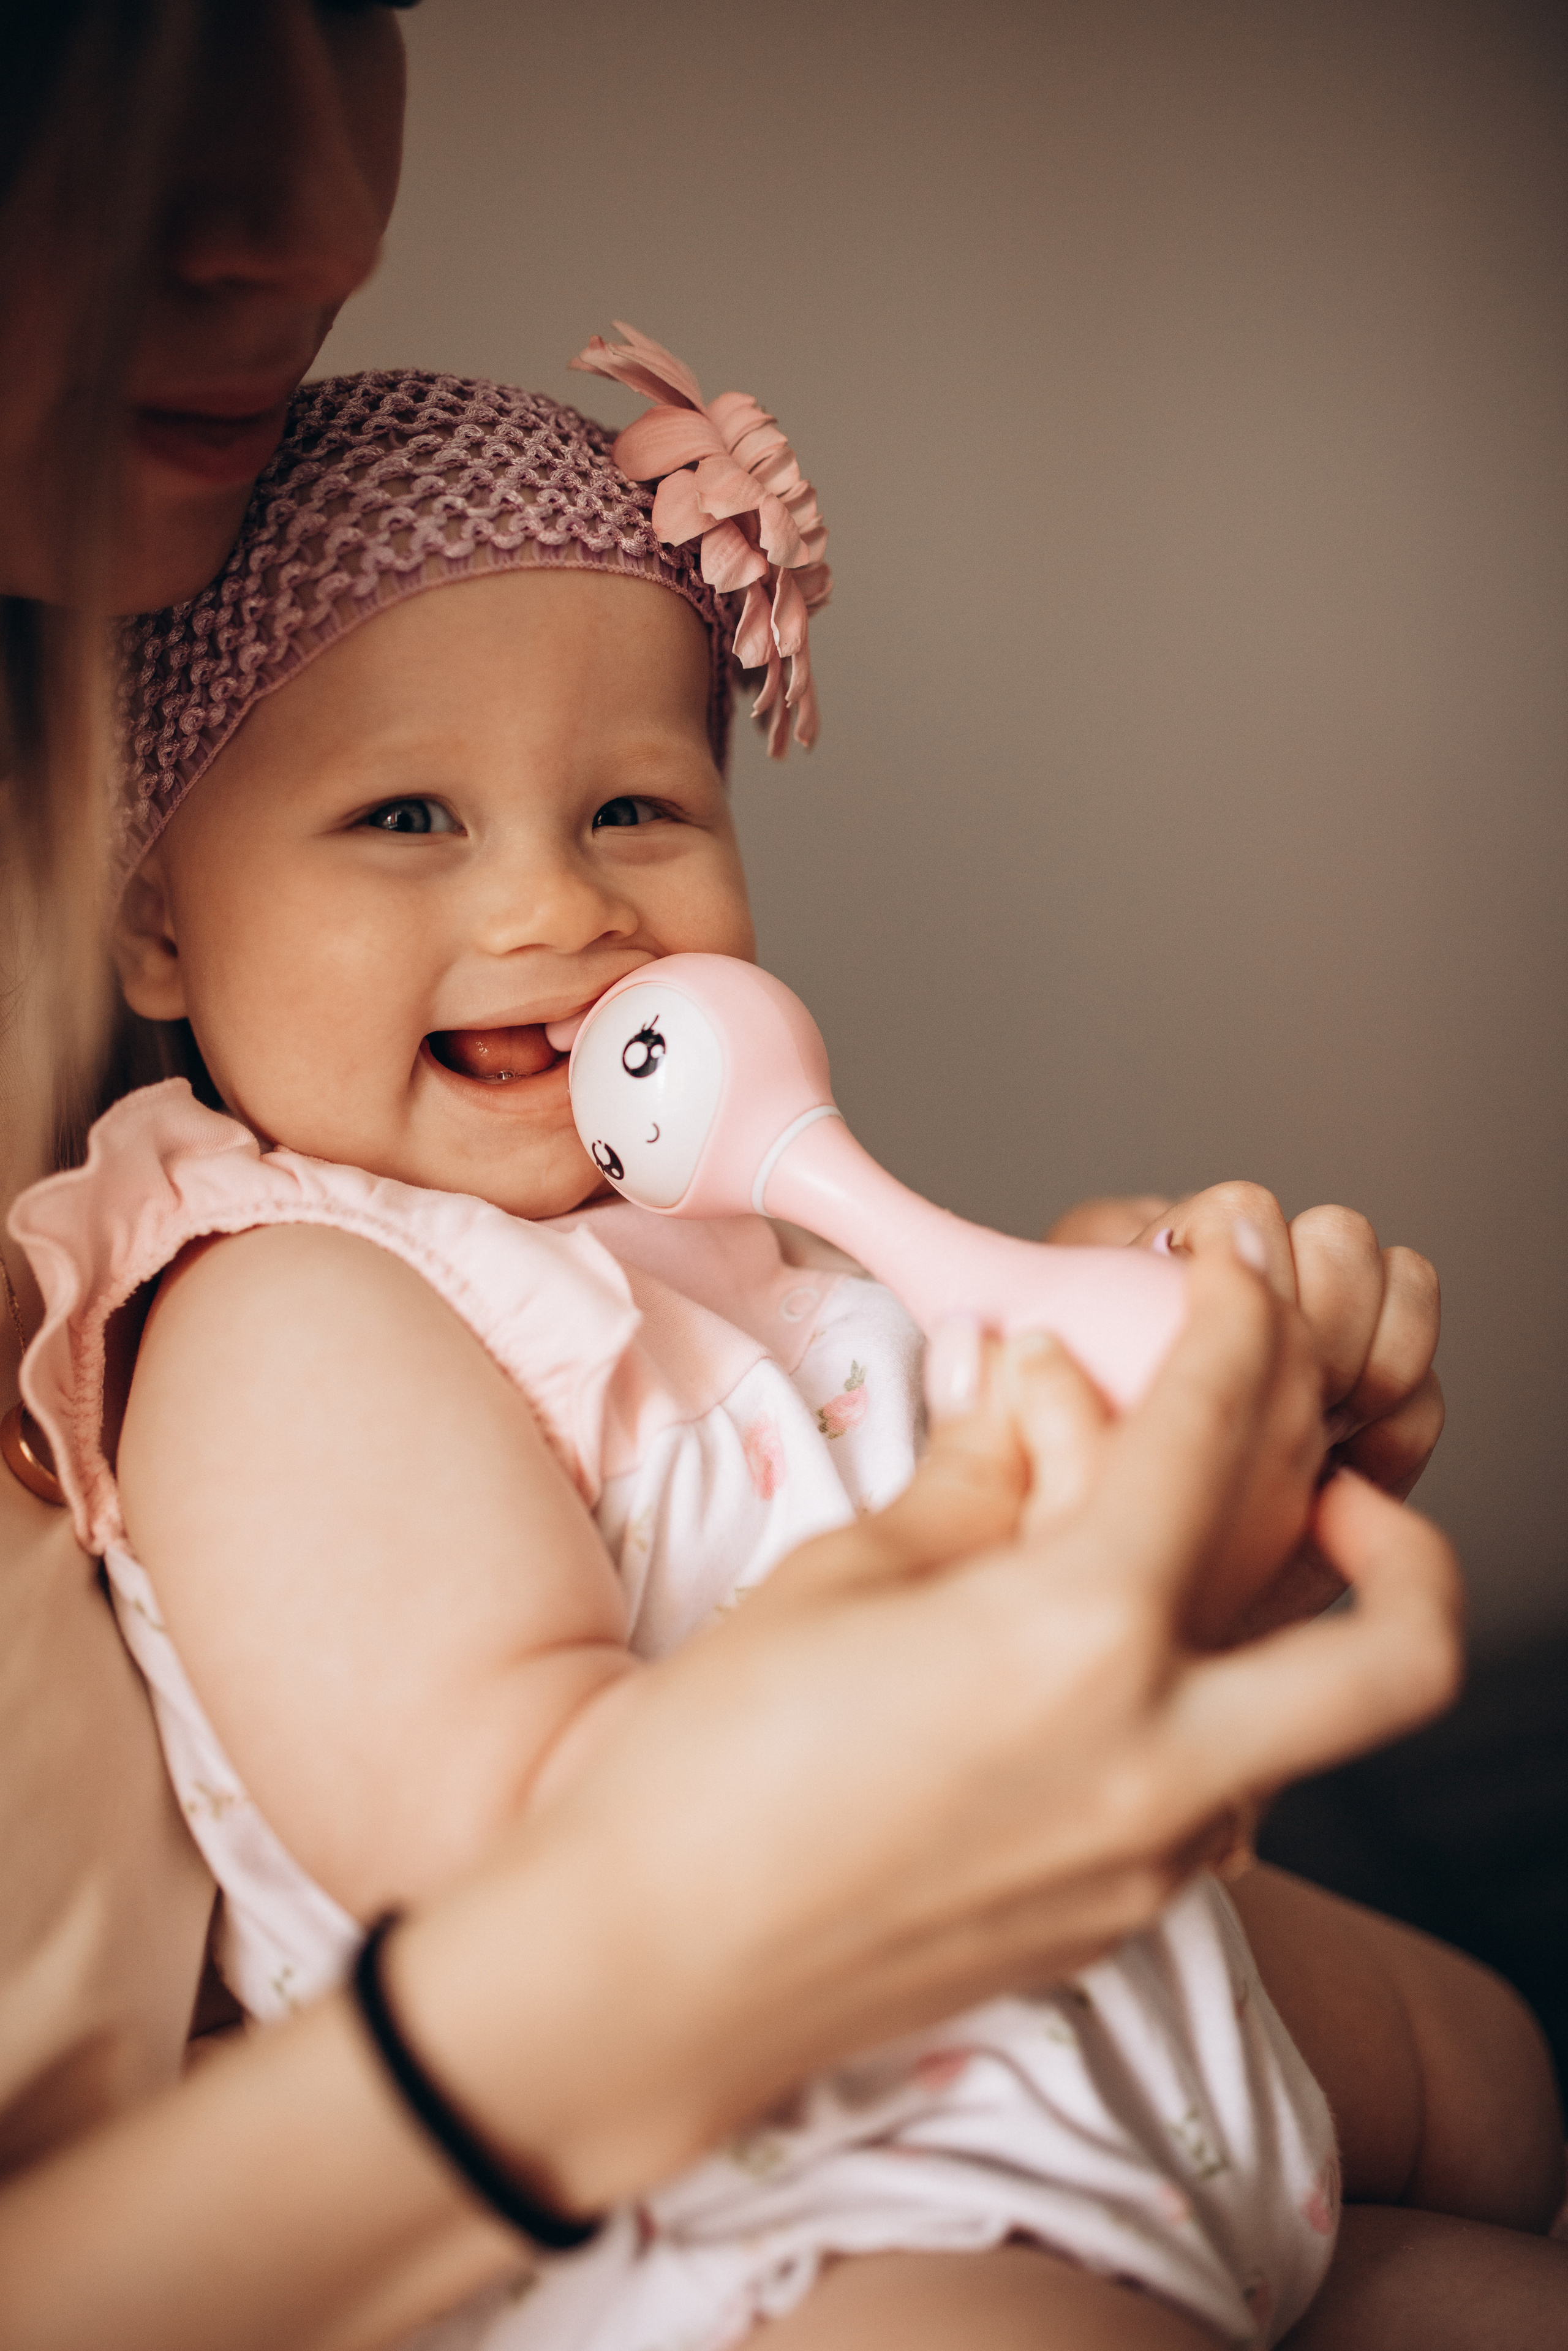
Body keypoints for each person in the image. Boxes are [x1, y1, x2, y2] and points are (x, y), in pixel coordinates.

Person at [0, 8, 1548, 2349]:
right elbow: (529, 1823)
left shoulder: (720, 1218)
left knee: (1504, 2094)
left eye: (636, 806)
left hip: (1083, 2038)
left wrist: (1127, 1352)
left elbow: (927, 1436)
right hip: (786, 2200)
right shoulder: (279, 1301)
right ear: (154, 921)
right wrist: (969, 1653)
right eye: (406, 819)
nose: (556, 907)